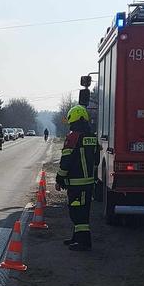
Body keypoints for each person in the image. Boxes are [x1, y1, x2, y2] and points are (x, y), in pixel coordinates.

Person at [55, 105, 98, 251]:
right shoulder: (92, 138)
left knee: (77, 214)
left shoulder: (73, 137)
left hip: (76, 184)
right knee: (81, 212)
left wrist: (59, 179)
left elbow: (65, 162)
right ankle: (76, 238)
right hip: (88, 183)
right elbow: (97, 160)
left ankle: (84, 243)